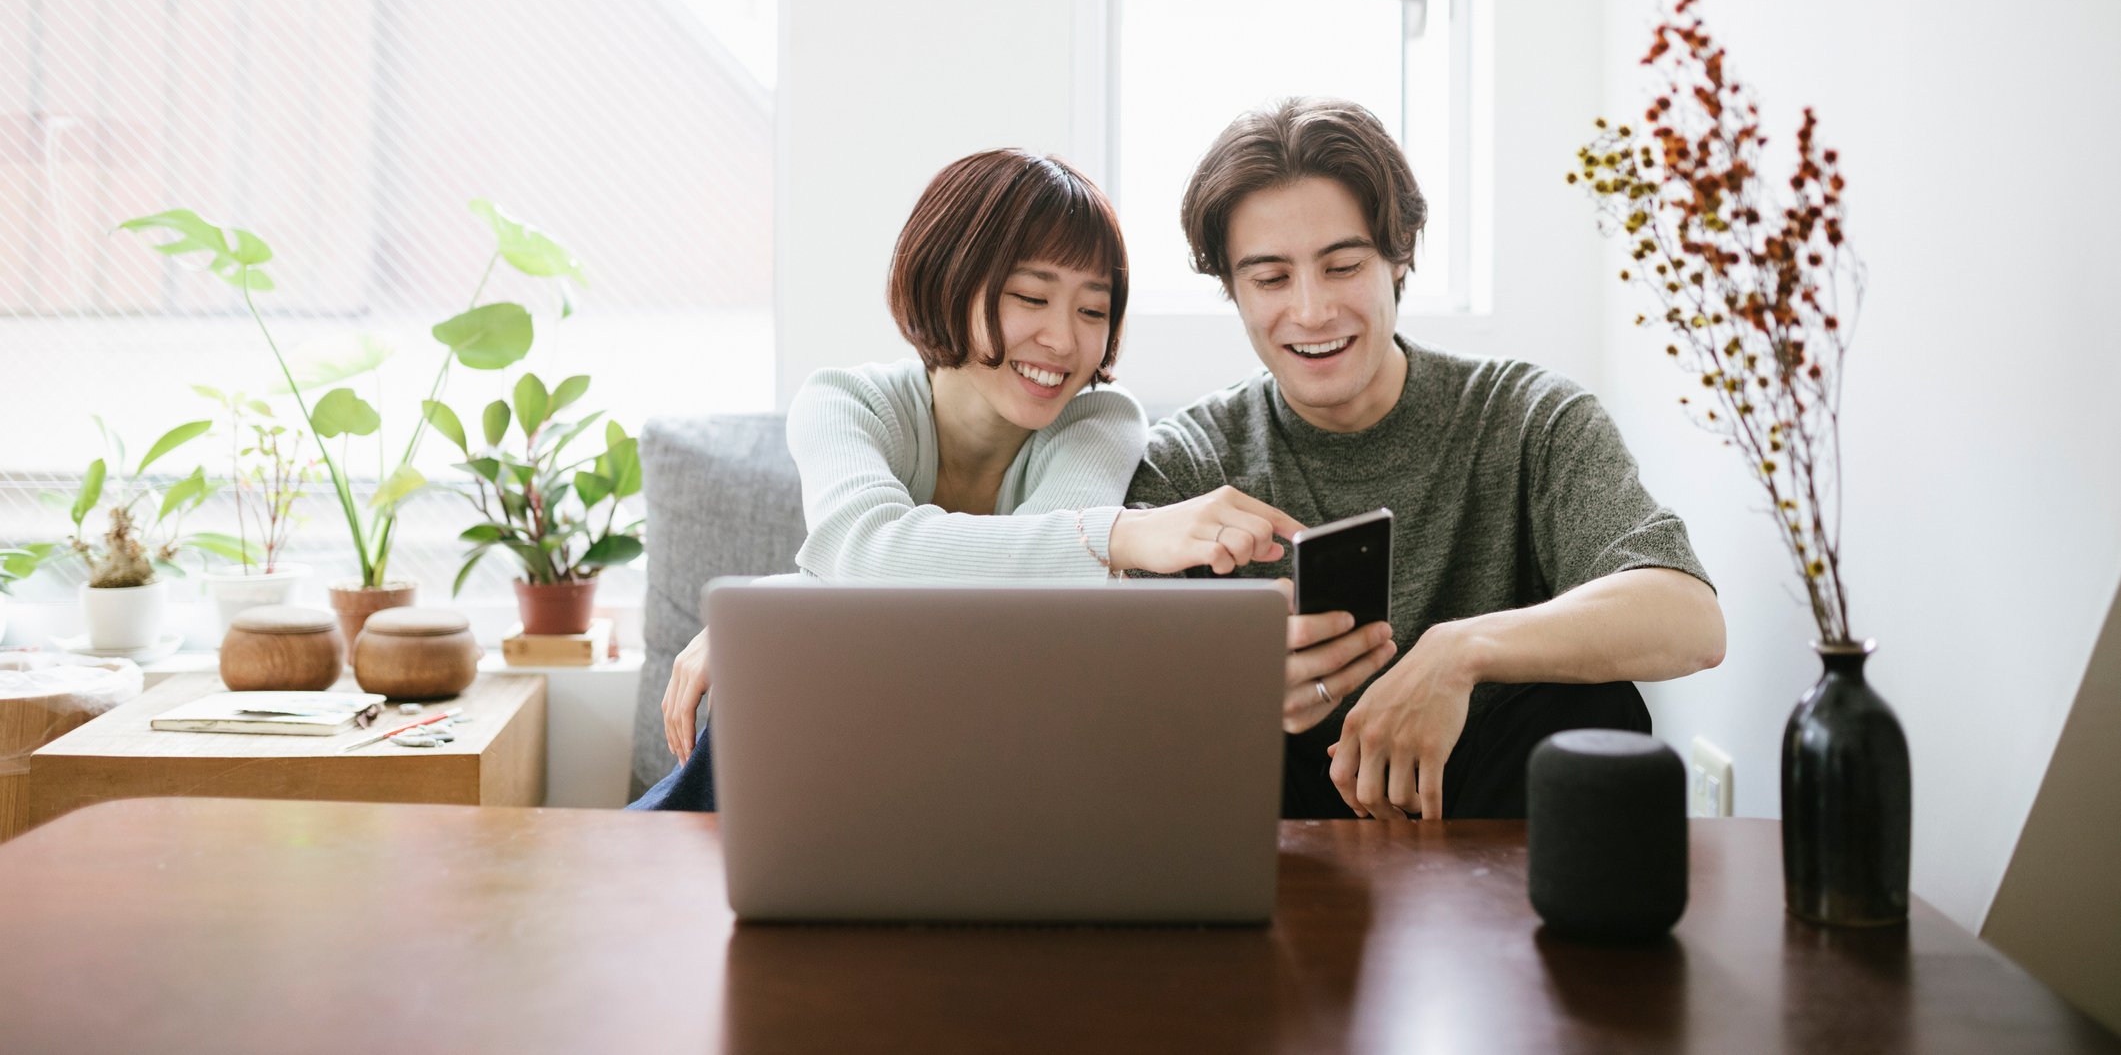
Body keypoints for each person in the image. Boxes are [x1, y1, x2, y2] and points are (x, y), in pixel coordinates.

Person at [634, 148, 1304, 810]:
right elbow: (867, 552)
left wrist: (780, 604)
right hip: (839, 771)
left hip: (998, 779)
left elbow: (1018, 623)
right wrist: (1121, 537)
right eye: (1030, 297)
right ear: (945, 280)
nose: (1064, 342)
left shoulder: (1098, 420)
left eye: (1092, 312)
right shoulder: (845, 403)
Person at [1127, 97, 1726, 823]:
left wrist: (1459, 651)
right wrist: (1231, 683)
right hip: (1283, 822)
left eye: (1342, 265)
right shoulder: (1190, 460)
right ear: (1232, 287)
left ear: (1399, 252)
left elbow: (1688, 620)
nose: (1311, 311)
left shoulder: (1527, 416)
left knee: (1593, 709)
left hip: (1485, 801)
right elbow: (1098, 686)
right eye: (1270, 279)